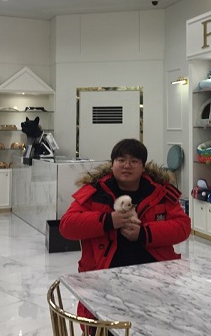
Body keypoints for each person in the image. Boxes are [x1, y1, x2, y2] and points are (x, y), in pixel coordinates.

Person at [59, 138, 191, 323]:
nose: (127, 165)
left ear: (143, 166)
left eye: (134, 161)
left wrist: (144, 233)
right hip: (104, 277)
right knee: (110, 329)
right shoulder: (95, 192)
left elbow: (183, 227)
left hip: (155, 278)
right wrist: (107, 221)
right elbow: (67, 226)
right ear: (112, 164)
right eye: (121, 160)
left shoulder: (160, 193)